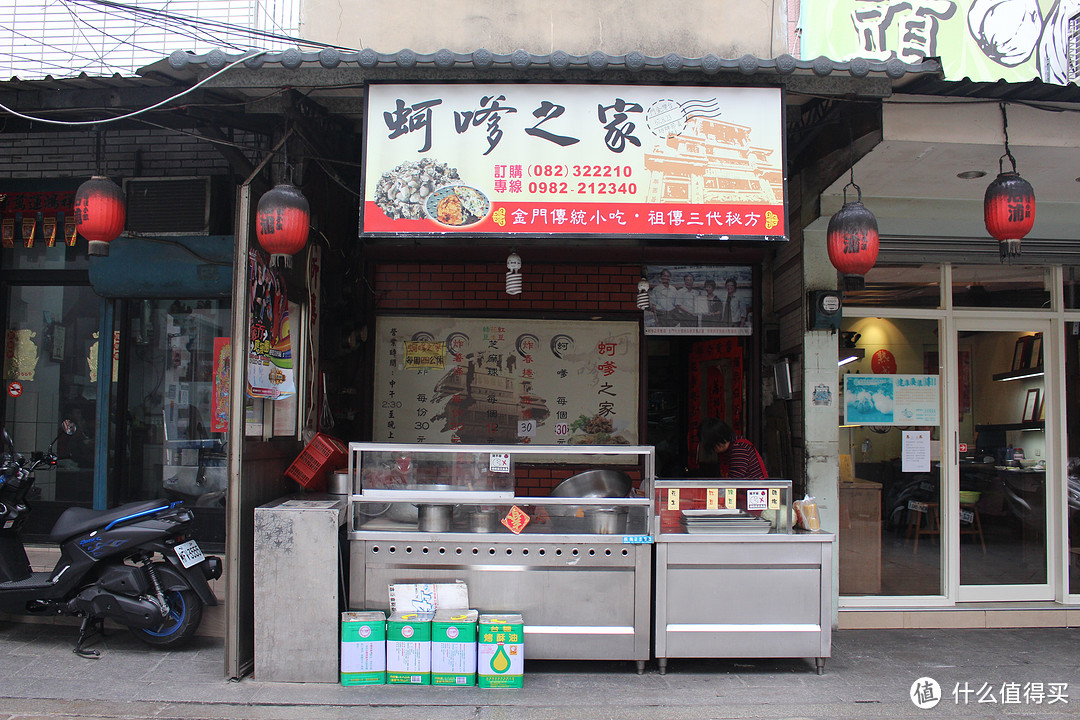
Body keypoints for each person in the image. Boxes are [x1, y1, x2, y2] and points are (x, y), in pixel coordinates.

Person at [696, 418, 767, 478]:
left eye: (712, 446)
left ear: (717, 441)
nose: (713, 451)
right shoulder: (728, 450)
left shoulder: (739, 449)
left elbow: (734, 482)